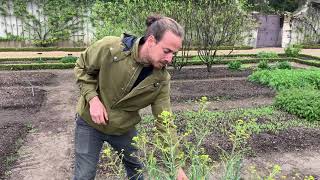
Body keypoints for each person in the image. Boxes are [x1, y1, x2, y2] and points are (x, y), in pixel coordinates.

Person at [73, 15, 188, 180]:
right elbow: (81, 67)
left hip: (124, 128)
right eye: (166, 51)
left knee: (138, 171)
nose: (170, 59)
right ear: (150, 41)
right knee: (84, 175)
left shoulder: (161, 80)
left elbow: (165, 121)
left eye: (174, 53)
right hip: (89, 123)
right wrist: (93, 99)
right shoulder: (111, 48)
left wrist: (175, 165)